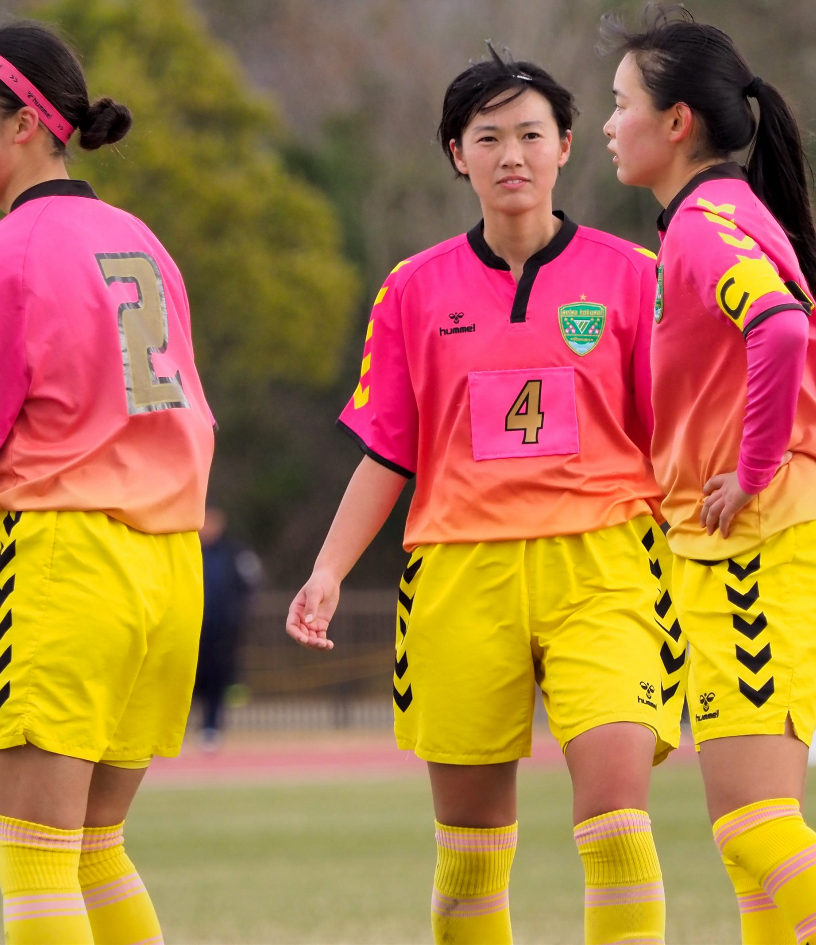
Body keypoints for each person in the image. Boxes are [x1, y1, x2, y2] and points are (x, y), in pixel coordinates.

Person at [286, 48, 682, 945]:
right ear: (456, 154)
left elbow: (677, 436)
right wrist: (327, 569)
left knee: (618, 826)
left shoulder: (633, 274)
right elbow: (389, 450)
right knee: (469, 855)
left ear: (567, 147)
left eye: (531, 134)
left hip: (607, 565)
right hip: (459, 576)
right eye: (488, 136)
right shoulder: (411, 289)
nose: (512, 154)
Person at [0, 22, 214, 945]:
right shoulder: (141, 242)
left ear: (22, 124)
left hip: (63, 566)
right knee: (92, 850)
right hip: (168, 574)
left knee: (38, 860)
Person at [603, 7, 816, 945]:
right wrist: (786, 415)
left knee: (754, 827)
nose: (608, 126)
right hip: (770, 545)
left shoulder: (698, 225)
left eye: (619, 104)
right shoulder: (734, 210)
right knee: (748, 842)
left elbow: (780, 327)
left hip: (763, 549)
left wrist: (755, 462)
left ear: (676, 121)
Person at [195, 506, 261, 747]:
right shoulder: (186, 549)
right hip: (190, 630)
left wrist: (240, 618)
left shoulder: (235, 551)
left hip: (223, 631)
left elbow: (251, 584)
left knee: (218, 681)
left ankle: (211, 729)